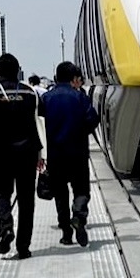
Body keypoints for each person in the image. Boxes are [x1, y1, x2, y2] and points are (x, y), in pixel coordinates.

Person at [0, 53, 45, 259]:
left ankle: (6, 226)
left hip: (1, 153)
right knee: (26, 200)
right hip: (27, 153)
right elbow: (39, 122)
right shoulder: (30, 93)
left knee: (1, 193)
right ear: (18, 70)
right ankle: (23, 247)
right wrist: (41, 152)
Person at [43, 62, 100, 246]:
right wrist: (82, 132)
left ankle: (66, 234)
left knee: (60, 194)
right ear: (72, 78)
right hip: (78, 153)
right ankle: (78, 216)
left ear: (56, 76)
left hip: (54, 155)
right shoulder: (80, 97)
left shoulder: (46, 98)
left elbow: (39, 125)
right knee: (81, 189)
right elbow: (93, 119)